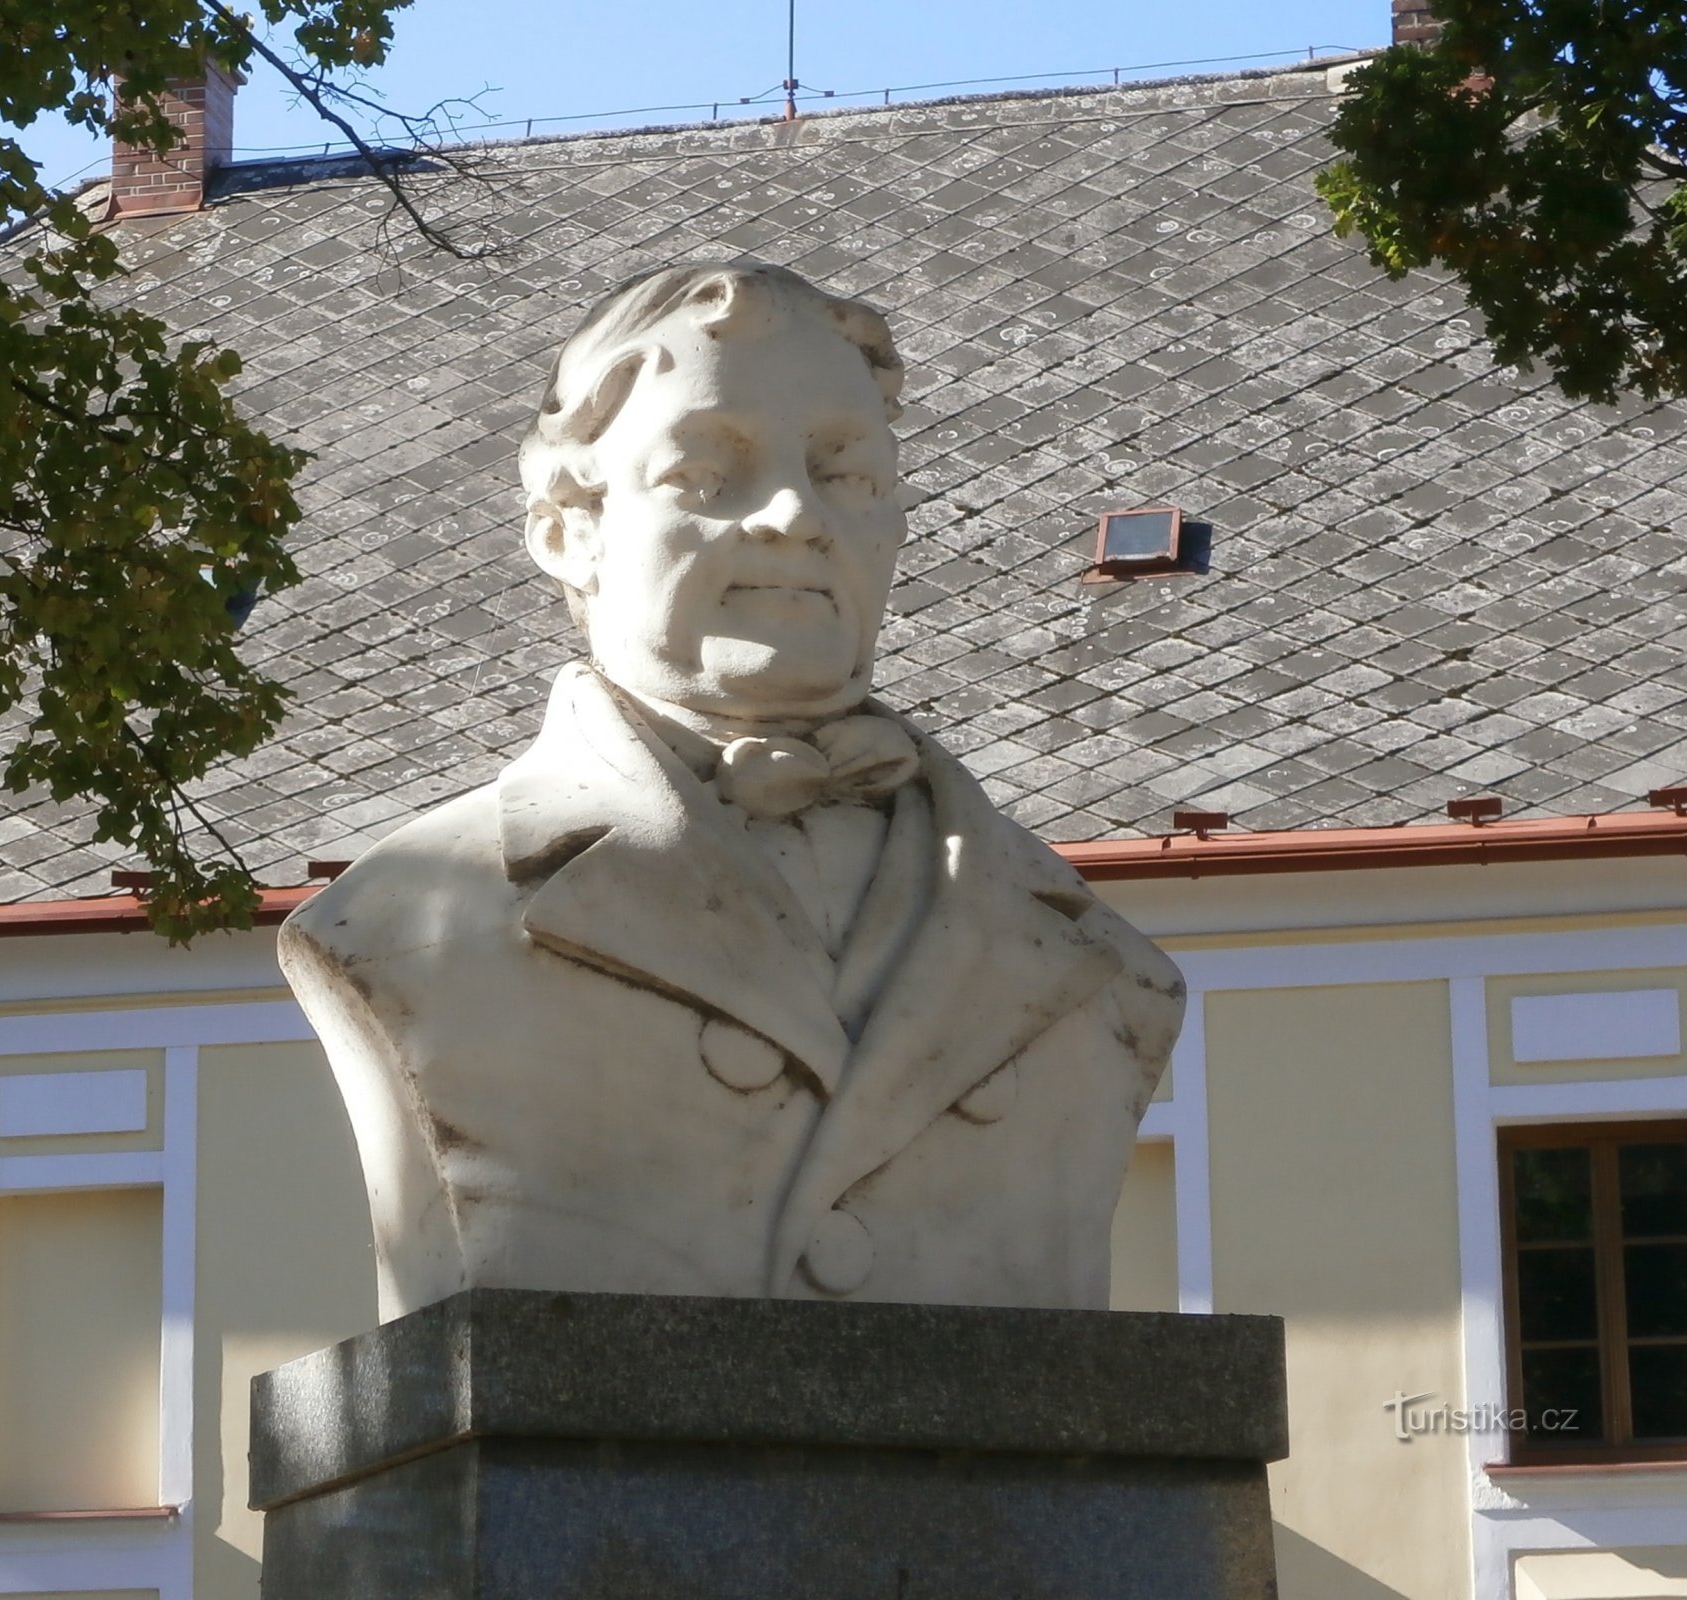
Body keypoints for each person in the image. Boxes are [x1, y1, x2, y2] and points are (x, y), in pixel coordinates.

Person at [280, 261, 1186, 1321]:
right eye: (711, 476)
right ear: (568, 530)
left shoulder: (1101, 968)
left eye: (844, 474)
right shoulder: (405, 928)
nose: (796, 514)